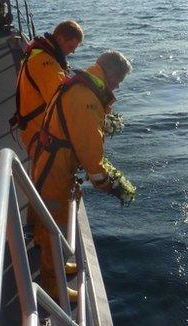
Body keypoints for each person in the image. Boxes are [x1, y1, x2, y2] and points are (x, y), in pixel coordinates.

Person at [31, 51, 132, 301]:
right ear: (110, 74)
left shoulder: (82, 83)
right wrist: (105, 182)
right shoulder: (86, 98)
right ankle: (52, 286)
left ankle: (56, 266)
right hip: (56, 169)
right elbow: (89, 151)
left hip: (53, 160)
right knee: (55, 225)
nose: (118, 85)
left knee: (53, 222)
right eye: (118, 80)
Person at [11, 20, 84, 160]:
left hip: (34, 127)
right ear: (60, 39)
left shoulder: (40, 54)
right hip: (40, 133)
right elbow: (60, 100)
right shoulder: (46, 63)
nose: (73, 51)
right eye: (71, 46)